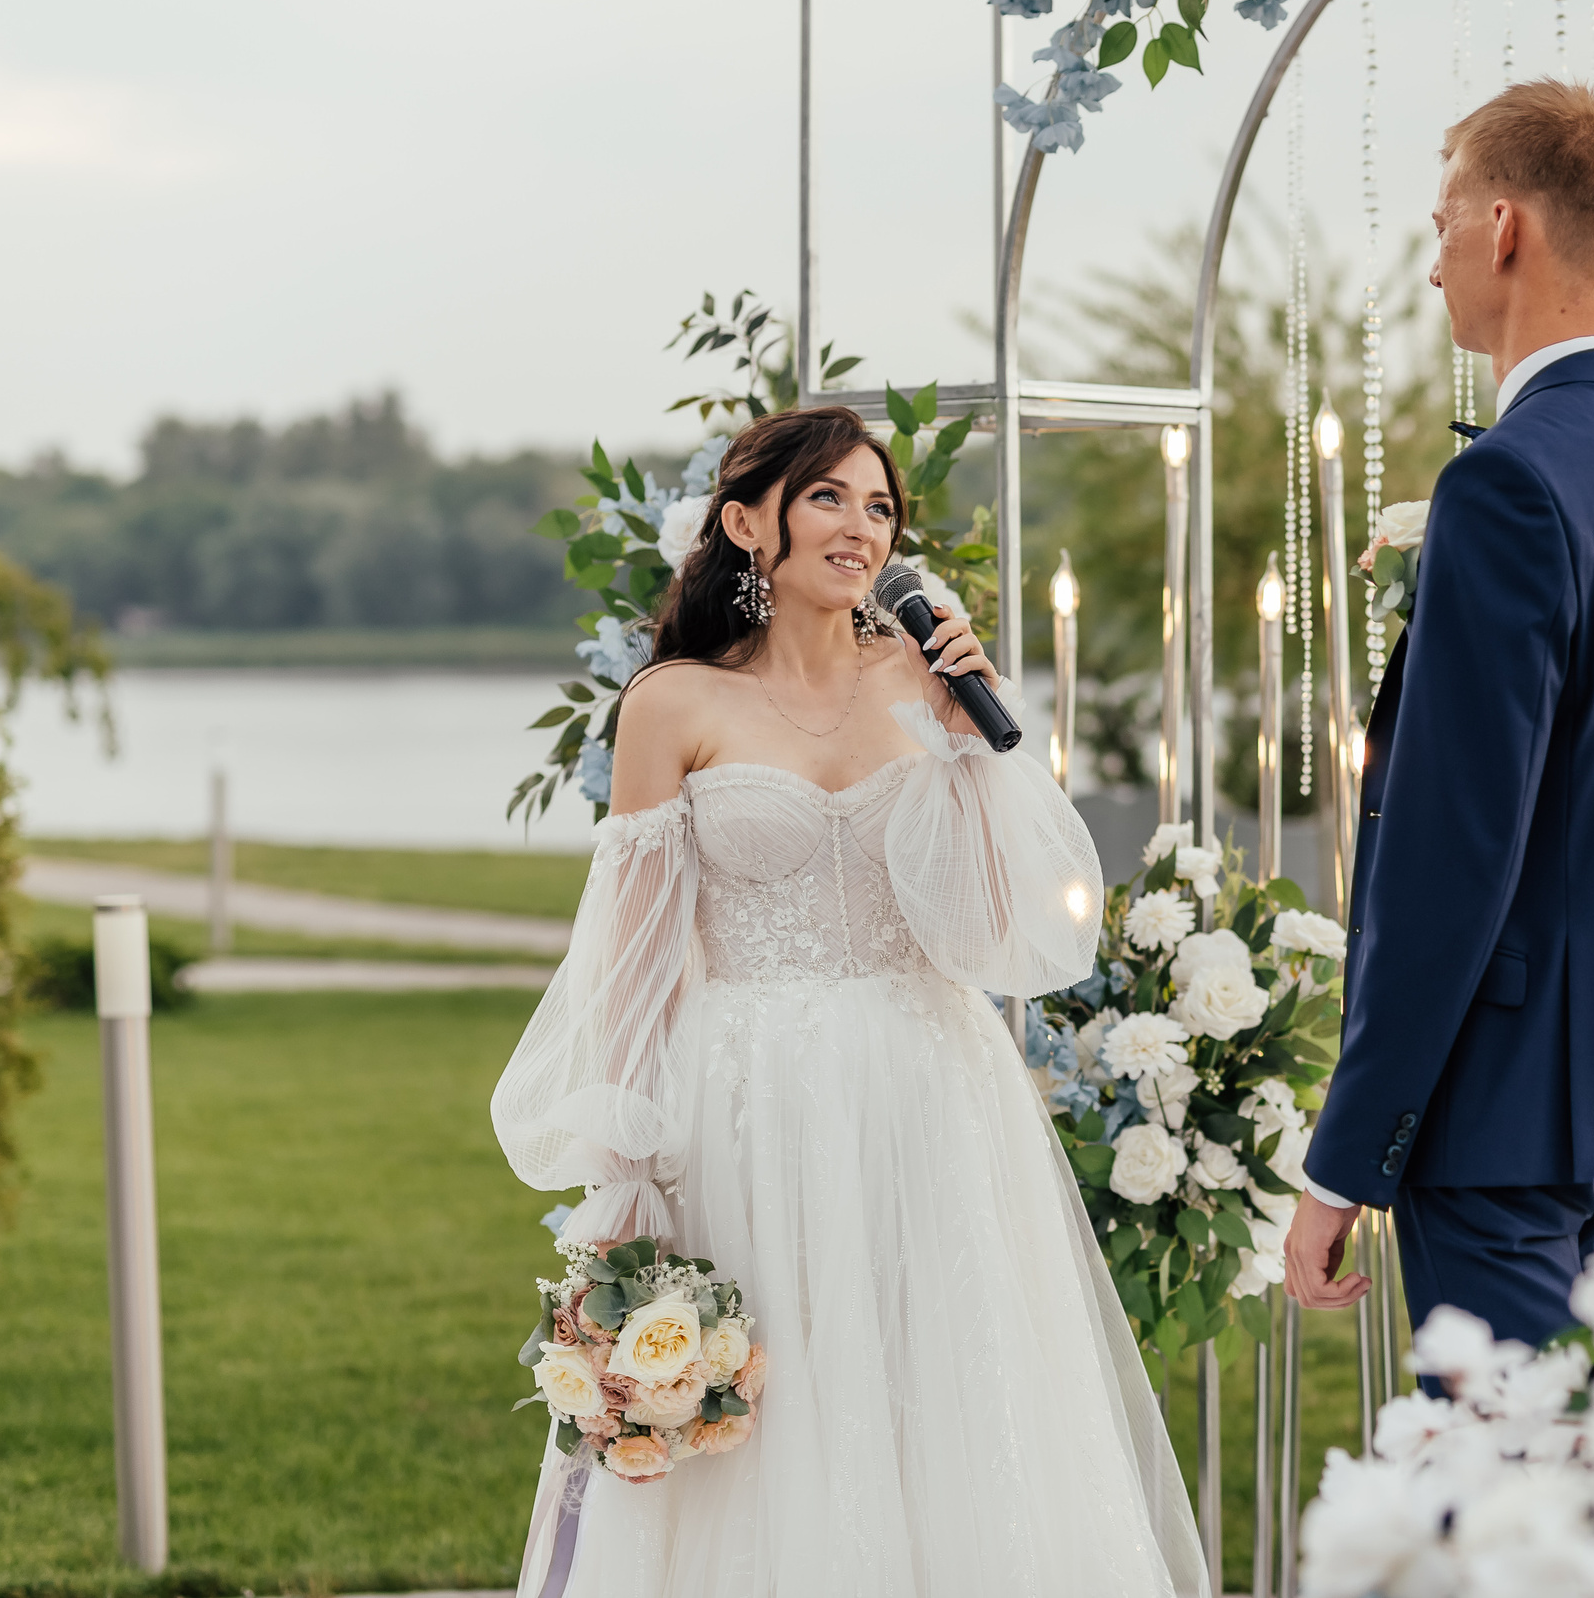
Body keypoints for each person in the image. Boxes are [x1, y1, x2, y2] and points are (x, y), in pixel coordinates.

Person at [490, 405, 1205, 1598]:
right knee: (783, 1410)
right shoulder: (673, 703)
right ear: (743, 522)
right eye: (828, 496)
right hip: (748, 1099)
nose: (861, 526)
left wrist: (974, 742)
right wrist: (619, 1171)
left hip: (930, 1083)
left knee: (946, 1394)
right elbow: (630, 954)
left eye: (880, 507)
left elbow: (997, 928)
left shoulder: (927, 684)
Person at [1286, 80, 1594, 1357]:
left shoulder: (1505, 481)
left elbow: (1453, 849)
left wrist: (1347, 1155)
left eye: (1439, 222)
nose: (1432, 264)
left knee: (1507, 1519)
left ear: (1502, 228)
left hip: (1512, 1127)